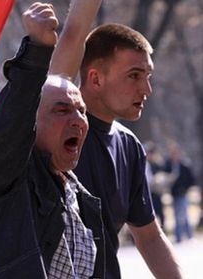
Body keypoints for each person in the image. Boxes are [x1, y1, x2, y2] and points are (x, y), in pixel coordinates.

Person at [0, 1, 104, 278]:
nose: (78, 120)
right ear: (31, 124)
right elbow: (11, 123)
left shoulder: (81, 198)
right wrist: (37, 50)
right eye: (61, 110)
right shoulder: (4, 180)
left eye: (81, 111)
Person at [73, 24, 185, 278]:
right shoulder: (52, 135)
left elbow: (150, 238)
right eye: (134, 75)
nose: (146, 89)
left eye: (148, 75)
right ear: (95, 79)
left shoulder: (130, 146)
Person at [165, 141, 195, 243]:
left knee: (182, 214)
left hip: (183, 193)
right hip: (174, 194)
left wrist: (185, 188)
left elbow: (191, 179)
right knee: (180, 214)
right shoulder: (168, 164)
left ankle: (183, 236)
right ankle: (185, 235)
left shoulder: (185, 165)